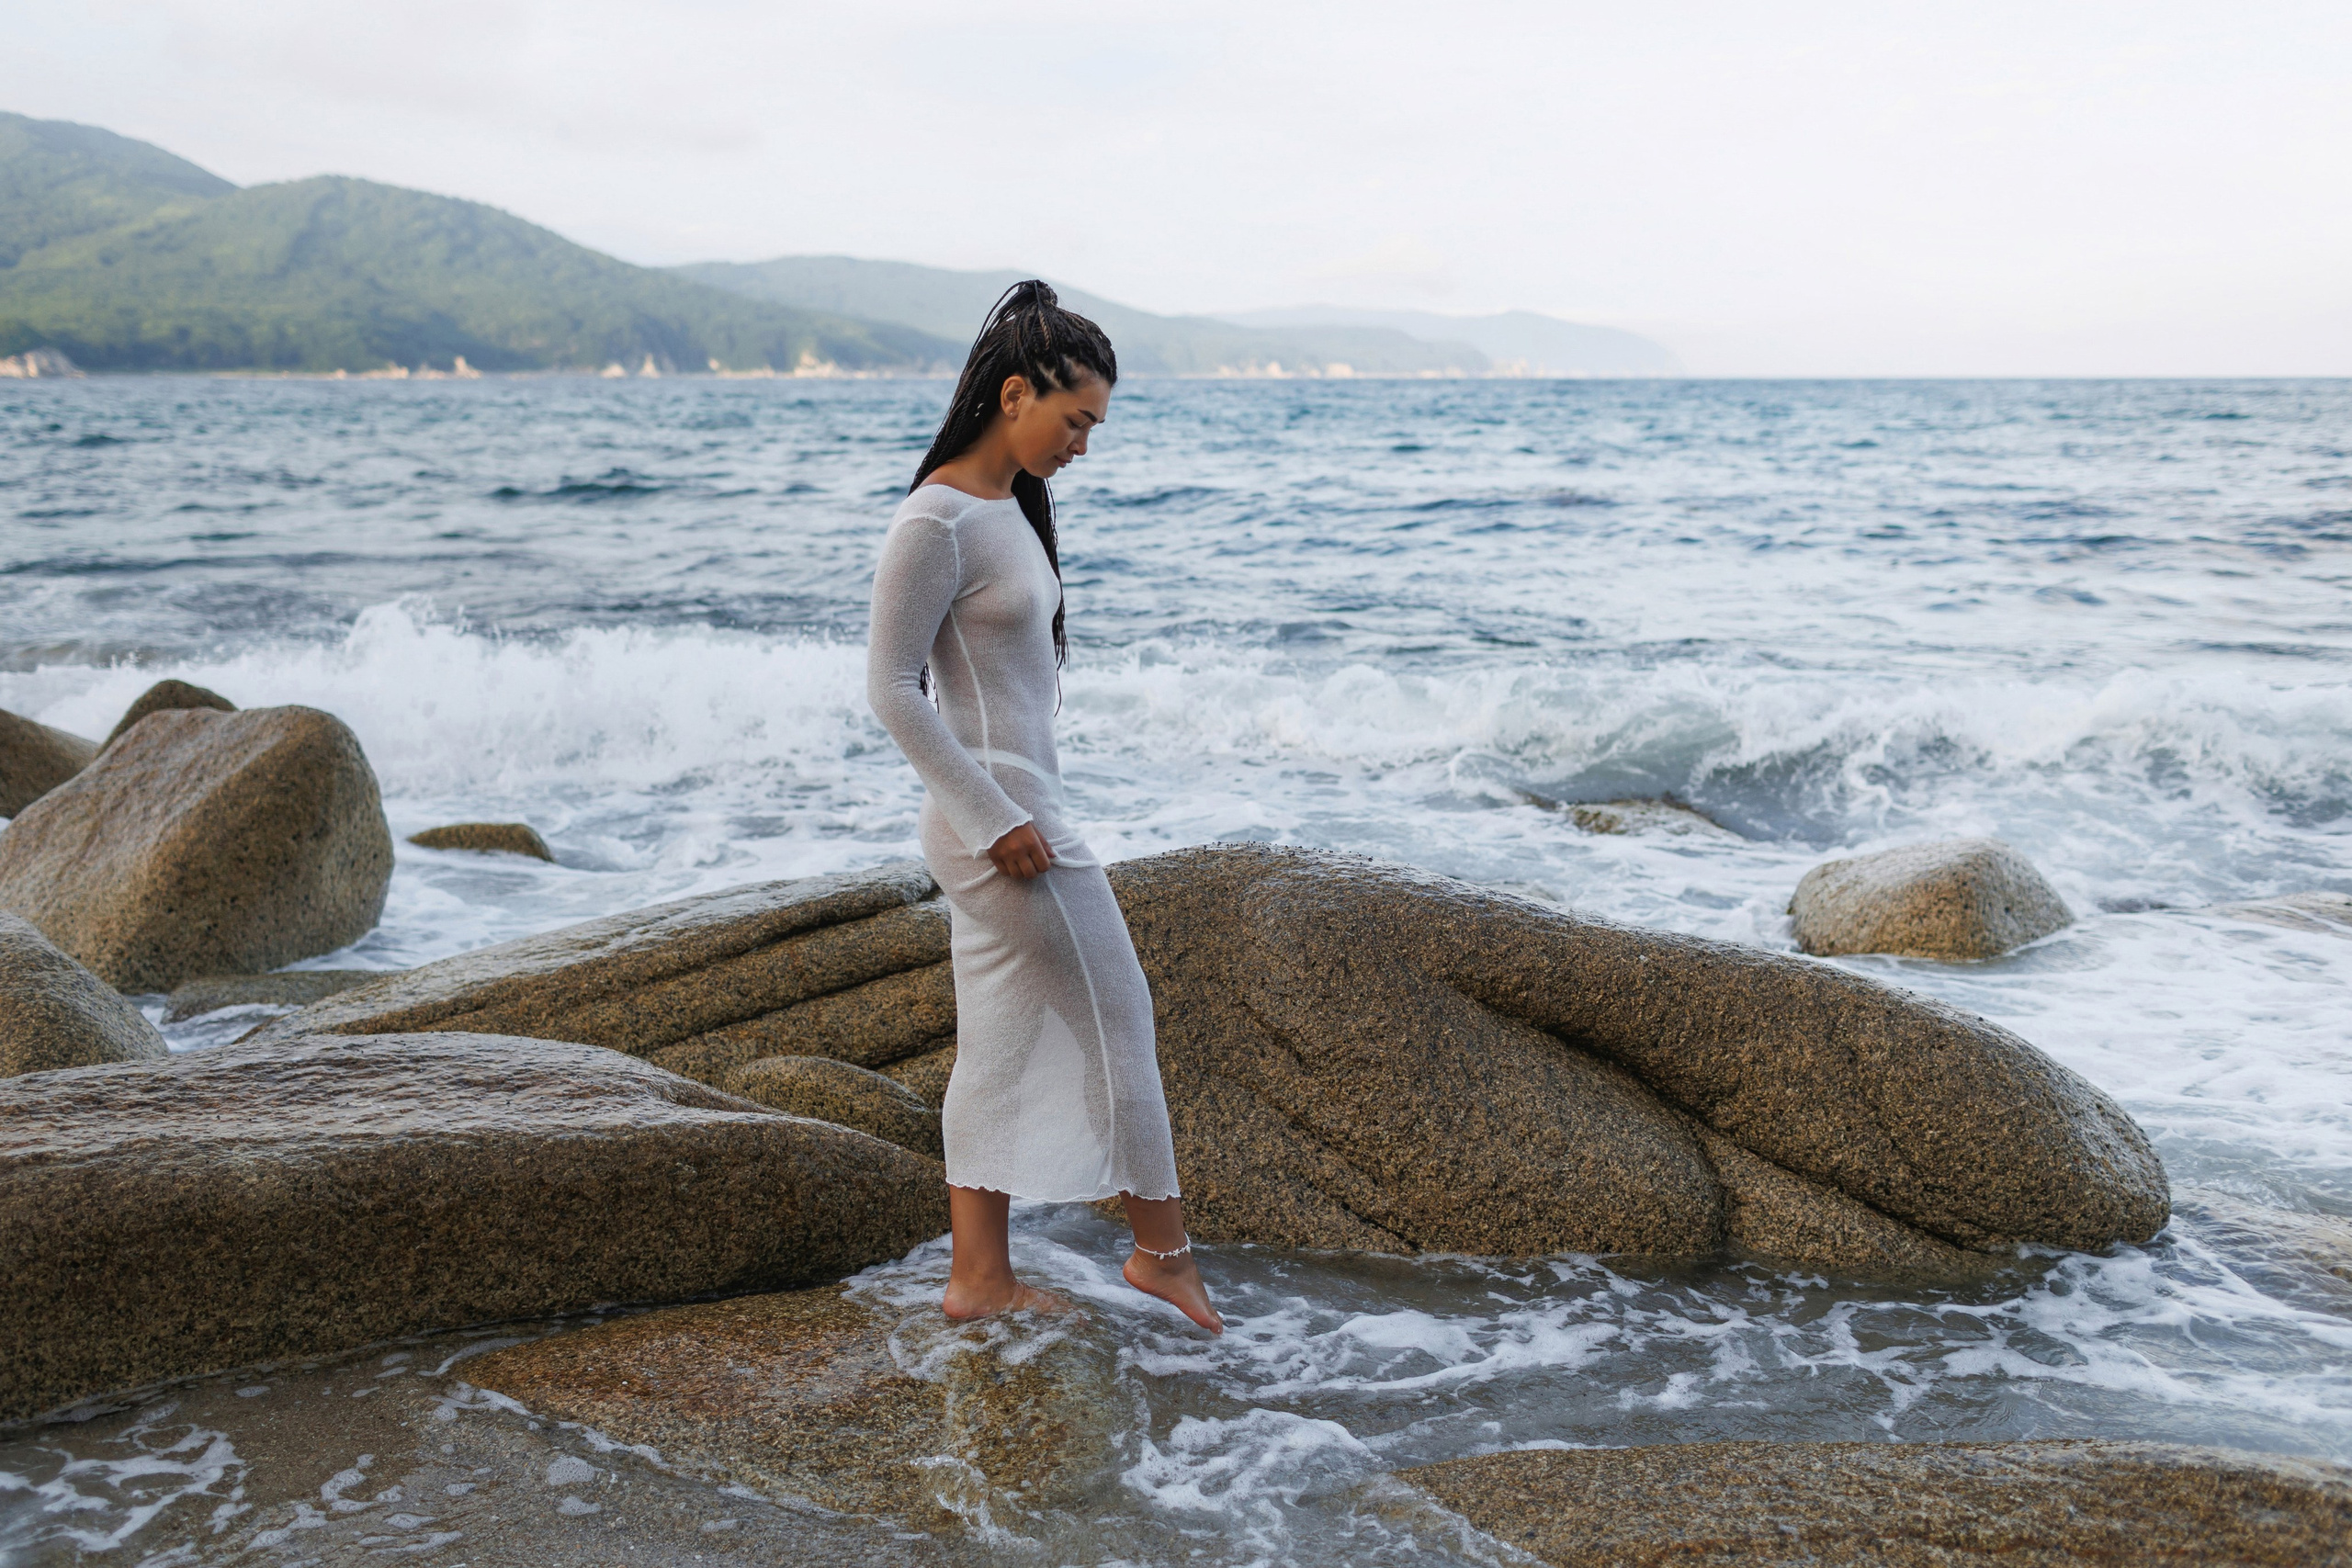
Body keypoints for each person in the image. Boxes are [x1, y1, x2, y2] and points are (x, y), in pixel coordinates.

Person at [865, 281, 1221, 1335]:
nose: (1083, 445)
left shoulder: (1006, 510)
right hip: (998, 821)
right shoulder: (934, 520)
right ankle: (1162, 1256)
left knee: (1000, 1044)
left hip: (1018, 805)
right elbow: (892, 691)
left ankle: (978, 1279)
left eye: (1094, 427)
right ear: (1015, 393)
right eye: (1076, 420)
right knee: (1122, 1013)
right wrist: (992, 819)